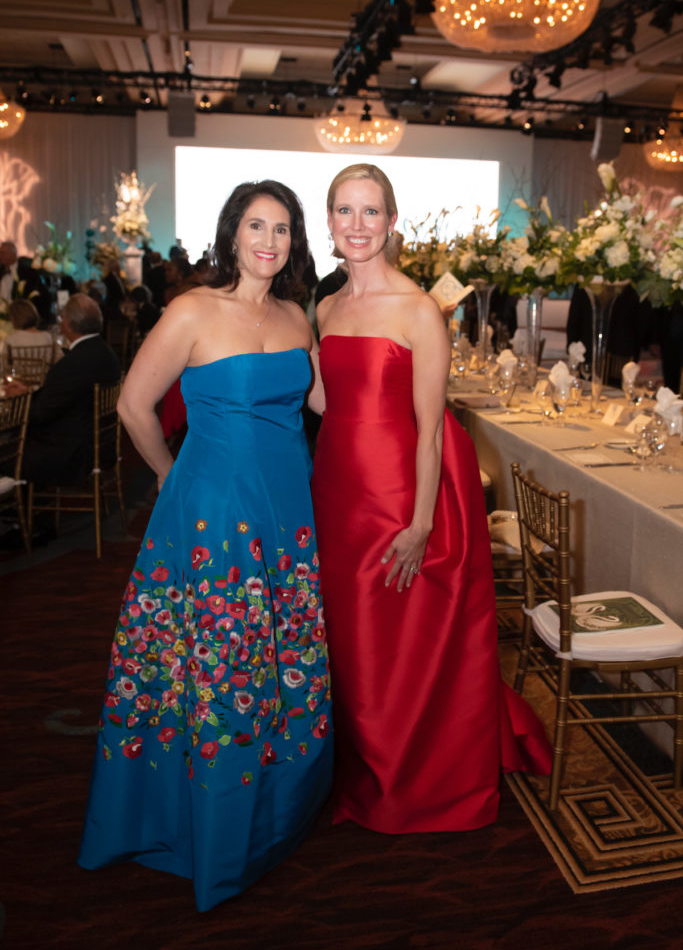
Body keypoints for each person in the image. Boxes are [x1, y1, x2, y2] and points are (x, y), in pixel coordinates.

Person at [78, 180, 333, 913]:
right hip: (211, 515)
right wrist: (168, 474)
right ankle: (200, 825)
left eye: (282, 228)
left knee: (274, 659)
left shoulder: (295, 315)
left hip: (287, 510)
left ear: (293, 242)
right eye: (256, 225)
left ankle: (272, 813)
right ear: (231, 233)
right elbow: (133, 404)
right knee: (216, 664)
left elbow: (325, 404)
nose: (269, 240)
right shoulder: (191, 309)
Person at [311, 163, 551, 835]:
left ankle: (410, 782)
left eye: (370, 212)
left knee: (399, 640)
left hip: (398, 492)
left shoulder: (418, 308)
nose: (357, 225)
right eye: (344, 211)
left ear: (391, 222)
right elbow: (323, 402)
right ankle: (360, 770)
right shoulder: (325, 308)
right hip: (335, 489)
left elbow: (428, 428)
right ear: (327, 221)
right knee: (351, 641)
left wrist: (420, 523)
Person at [22, 294, 121, 487]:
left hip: (72, 451)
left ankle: (18, 510)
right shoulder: (106, 353)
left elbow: (40, 414)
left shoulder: (72, 364)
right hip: (99, 443)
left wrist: (19, 402)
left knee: (9, 449)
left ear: (67, 324)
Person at [3, 298, 60, 369]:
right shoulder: (47, 337)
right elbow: (56, 360)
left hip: (18, 379)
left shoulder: (11, 340)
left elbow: (4, 367)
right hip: (44, 379)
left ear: (14, 318)